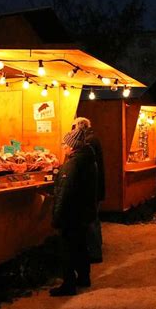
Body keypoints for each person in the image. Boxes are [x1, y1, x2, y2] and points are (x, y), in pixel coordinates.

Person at [50, 127, 98, 296]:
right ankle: (84, 277)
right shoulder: (87, 159)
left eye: (65, 144)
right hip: (83, 212)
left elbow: (65, 193)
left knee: (67, 249)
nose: (63, 146)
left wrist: (57, 218)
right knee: (80, 246)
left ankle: (68, 284)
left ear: (72, 146)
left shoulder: (73, 163)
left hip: (72, 214)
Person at [72, 117, 105, 263]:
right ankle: (96, 249)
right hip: (96, 187)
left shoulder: (89, 142)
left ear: (79, 127)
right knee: (94, 220)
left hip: (92, 189)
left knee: (91, 221)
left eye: (73, 127)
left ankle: (94, 253)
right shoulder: (93, 139)